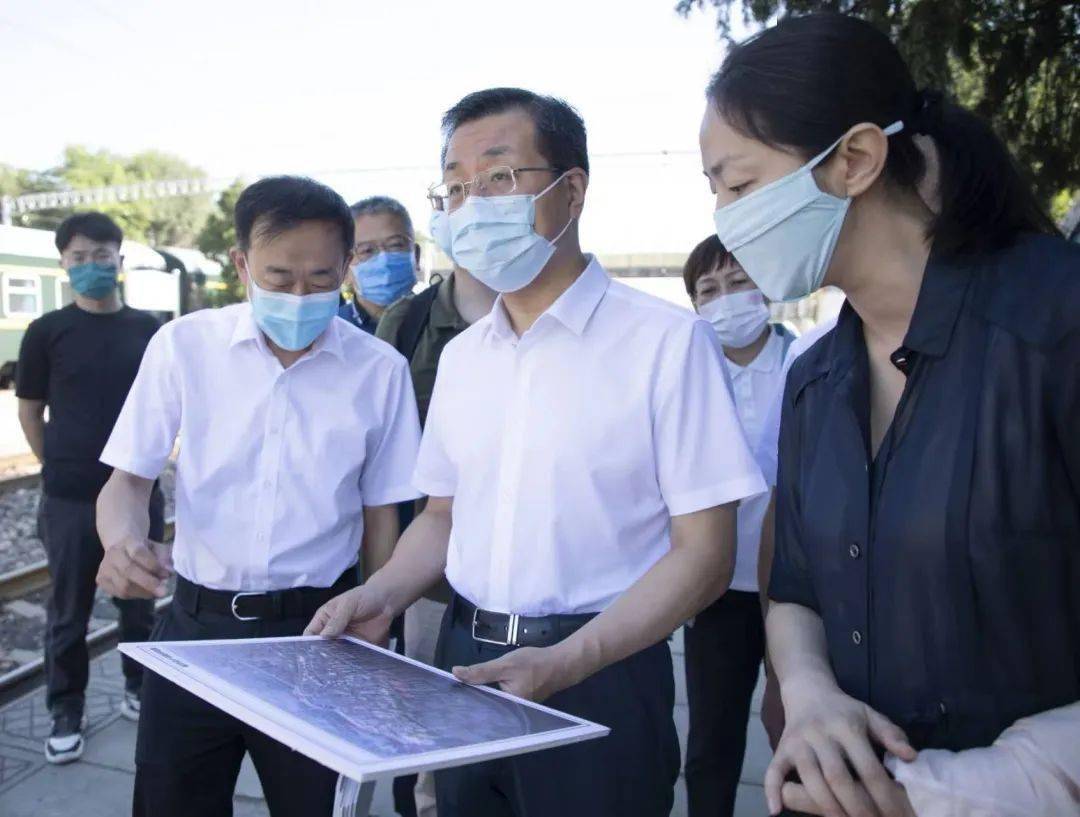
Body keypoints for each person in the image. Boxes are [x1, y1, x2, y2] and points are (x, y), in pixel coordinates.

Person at [307, 87, 766, 817]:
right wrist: (380, 592)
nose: (473, 201)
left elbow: (706, 554)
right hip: (466, 664)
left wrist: (567, 661)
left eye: (499, 176)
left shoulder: (665, 344)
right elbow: (442, 515)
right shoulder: (464, 358)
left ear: (571, 190)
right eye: (454, 186)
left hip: (601, 670)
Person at [700, 13, 1079, 817]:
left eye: (739, 186)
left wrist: (965, 790)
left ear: (857, 159)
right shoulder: (816, 379)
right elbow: (796, 583)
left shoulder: (1055, 326)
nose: (726, 221)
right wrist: (808, 694)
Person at [95, 176, 422, 817]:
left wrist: (375, 613)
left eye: (321, 280)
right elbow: (127, 481)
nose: (300, 296)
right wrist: (122, 541)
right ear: (242, 262)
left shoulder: (378, 370)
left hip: (318, 639)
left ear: (346, 269)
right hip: (195, 634)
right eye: (278, 278)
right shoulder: (184, 347)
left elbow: (382, 513)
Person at [15, 212, 162, 764]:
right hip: (71, 496)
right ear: (63, 265)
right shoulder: (45, 332)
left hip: (140, 492)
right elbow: (31, 410)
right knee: (68, 611)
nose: (91, 266)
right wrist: (55, 462)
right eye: (78, 257)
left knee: (138, 603)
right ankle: (65, 710)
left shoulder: (149, 330)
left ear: (120, 261)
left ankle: (137, 687)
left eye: (102, 255)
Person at [374, 215, 497, 817]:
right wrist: (385, 581)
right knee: (435, 747)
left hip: (557, 602)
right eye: (455, 190)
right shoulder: (418, 325)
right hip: (432, 566)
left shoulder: (635, 337)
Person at [681, 234, 794, 817]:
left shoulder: (807, 361)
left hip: (800, 590)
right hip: (717, 589)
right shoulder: (690, 378)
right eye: (710, 290)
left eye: (740, 282)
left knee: (797, 731)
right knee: (712, 742)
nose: (727, 300)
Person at [340, 196, 419, 333]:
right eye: (367, 250)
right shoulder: (331, 331)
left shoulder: (446, 322)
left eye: (395, 245)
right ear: (344, 269)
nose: (384, 259)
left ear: (416, 256)